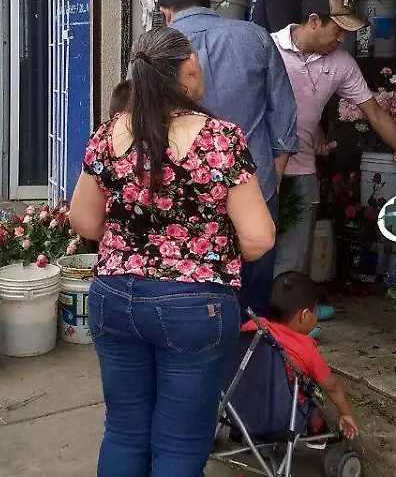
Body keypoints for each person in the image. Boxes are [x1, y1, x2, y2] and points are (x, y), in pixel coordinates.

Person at [70, 27, 276, 477]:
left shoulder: (108, 135)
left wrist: (134, 245)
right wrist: (207, 251)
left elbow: (84, 222)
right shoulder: (220, 139)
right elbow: (259, 238)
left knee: (124, 430)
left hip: (114, 296)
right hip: (194, 304)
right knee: (180, 443)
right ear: (186, 70)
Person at [157, 0, 298, 315]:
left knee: (188, 291)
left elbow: (136, 116)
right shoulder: (255, 36)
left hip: (178, 192)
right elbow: (284, 115)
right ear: (209, 2)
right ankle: (251, 360)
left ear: (166, 12)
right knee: (254, 296)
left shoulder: (156, 48)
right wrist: (272, 177)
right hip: (255, 183)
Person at [272, 0, 396, 277]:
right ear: (313, 21)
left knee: (290, 269)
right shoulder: (268, 47)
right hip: (261, 171)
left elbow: (376, 115)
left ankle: (282, 323)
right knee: (252, 258)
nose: (342, 38)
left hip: (302, 172)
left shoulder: (341, 63)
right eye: (338, 29)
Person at [243, 272, 358, 440]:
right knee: (311, 394)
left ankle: (247, 437)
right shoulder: (305, 347)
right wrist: (345, 413)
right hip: (283, 420)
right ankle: (318, 432)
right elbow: (331, 385)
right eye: (315, 310)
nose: (316, 314)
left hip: (241, 410)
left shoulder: (253, 326)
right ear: (304, 315)